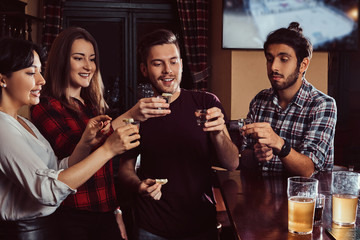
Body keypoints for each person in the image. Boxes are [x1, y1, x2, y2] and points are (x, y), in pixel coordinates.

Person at [30, 27, 169, 240]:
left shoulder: (92, 107)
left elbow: (104, 168)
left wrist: (117, 211)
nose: (88, 66)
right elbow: (72, 152)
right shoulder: (46, 105)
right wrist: (132, 114)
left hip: (105, 213)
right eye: (79, 58)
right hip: (71, 215)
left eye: (92, 59)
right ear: (62, 61)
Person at [0, 38, 140, 240]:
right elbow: (47, 191)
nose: (41, 80)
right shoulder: (3, 127)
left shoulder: (23, 123)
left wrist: (85, 143)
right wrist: (107, 150)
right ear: (3, 79)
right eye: (31, 73)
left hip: (45, 229)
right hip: (21, 233)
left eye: (40, 71)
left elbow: (56, 170)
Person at [118, 29, 239, 240]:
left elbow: (232, 163)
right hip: (152, 228)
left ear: (182, 64)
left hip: (201, 226)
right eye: (158, 63)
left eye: (173, 62)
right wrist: (138, 186)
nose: (168, 70)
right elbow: (125, 169)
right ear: (144, 69)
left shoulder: (206, 103)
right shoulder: (139, 113)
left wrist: (218, 133)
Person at [240, 22, 337, 177]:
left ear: (303, 65)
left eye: (284, 59)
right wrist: (255, 155)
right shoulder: (260, 100)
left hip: (303, 200)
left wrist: (279, 144)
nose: (274, 67)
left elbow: (308, 170)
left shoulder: (322, 105)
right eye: (270, 59)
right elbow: (244, 158)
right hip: (261, 197)